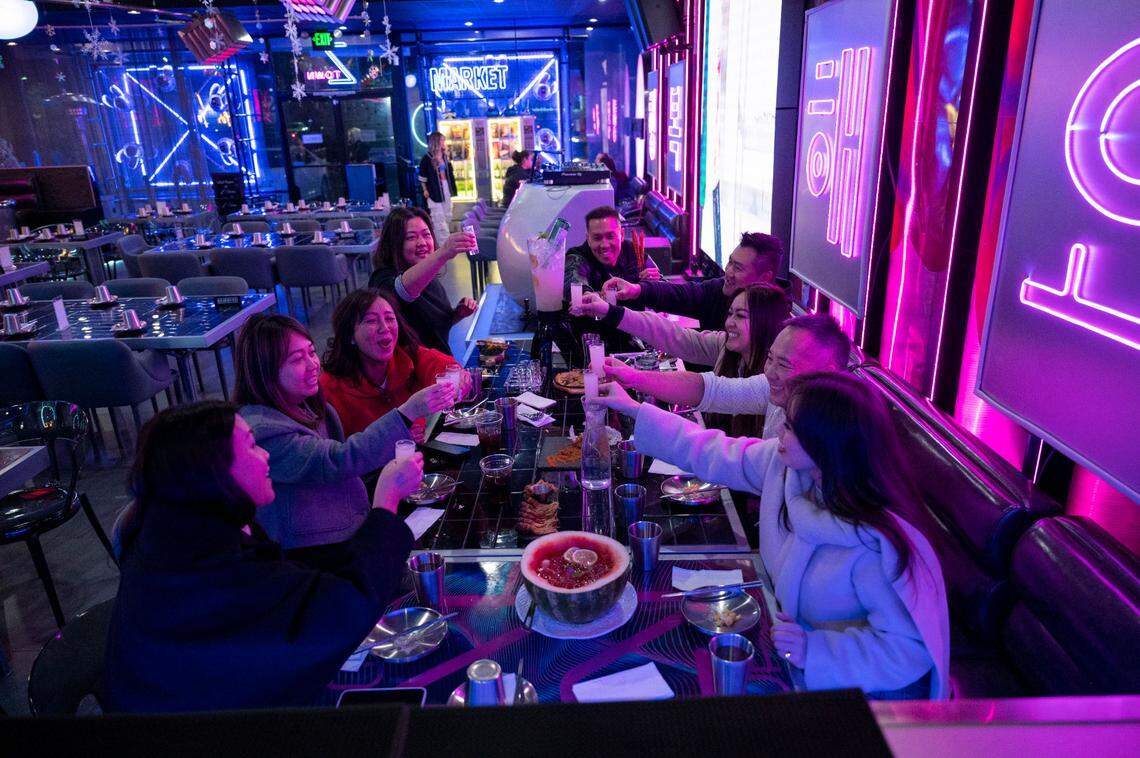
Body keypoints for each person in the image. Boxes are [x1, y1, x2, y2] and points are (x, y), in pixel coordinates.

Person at [589, 374, 949, 699]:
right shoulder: (789, 471)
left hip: (838, 692)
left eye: (790, 427)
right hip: (774, 648)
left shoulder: (875, 543)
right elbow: (713, 450)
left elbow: (908, 650)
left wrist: (815, 650)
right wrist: (634, 409)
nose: (779, 432)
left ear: (826, 445)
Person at [104, 401, 423, 712]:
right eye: (251, 447)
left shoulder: (175, 528)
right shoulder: (209, 565)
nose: (266, 454)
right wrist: (386, 505)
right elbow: (338, 614)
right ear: (214, 472)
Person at [234, 313, 452, 568]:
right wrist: (408, 412)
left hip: (348, 526)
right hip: (317, 556)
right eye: (297, 359)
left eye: (311, 352)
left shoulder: (309, 407)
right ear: (266, 372)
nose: (312, 364)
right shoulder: (263, 431)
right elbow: (338, 459)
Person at [573, 282, 790, 437]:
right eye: (730, 314)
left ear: (764, 323)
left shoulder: (774, 384)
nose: (729, 323)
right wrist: (610, 312)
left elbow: (706, 389)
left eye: (740, 316)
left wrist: (634, 380)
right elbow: (671, 334)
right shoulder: (726, 347)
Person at [594, 313, 851, 440]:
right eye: (770, 359)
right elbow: (709, 389)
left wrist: (636, 409)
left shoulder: (832, 437)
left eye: (783, 364)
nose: (769, 371)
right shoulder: (778, 388)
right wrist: (631, 377)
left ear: (827, 373)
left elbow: (731, 456)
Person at [321, 288, 462, 440]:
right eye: (371, 321)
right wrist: (390, 439)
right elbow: (335, 455)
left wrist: (458, 381)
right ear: (350, 335)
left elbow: (450, 368)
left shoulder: (409, 358)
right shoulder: (329, 389)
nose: (385, 328)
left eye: (389, 318)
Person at [602, 232, 783, 330]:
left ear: (765, 278)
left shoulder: (776, 326)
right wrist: (637, 290)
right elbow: (681, 294)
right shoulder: (719, 289)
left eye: (738, 268)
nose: (728, 272)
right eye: (729, 262)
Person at [368, 206, 477, 354]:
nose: (422, 243)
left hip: (439, 366)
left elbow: (434, 328)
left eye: (426, 235)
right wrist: (443, 252)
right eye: (411, 237)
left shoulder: (429, 278)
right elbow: (402, 290)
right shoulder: (382, 279)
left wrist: (457, 315)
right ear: (394, 243)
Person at [419, 130, 457, 245]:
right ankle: (443, 245)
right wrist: (425, 190)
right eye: (442, 140)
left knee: (447, 215)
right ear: (436, 142)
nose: (444, 142)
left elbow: (449, 172)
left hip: (445, 188)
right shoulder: (427, 158)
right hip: (433, 190)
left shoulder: (445, 156)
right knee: (438, 218)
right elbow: (422, 176)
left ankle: (438, 241)